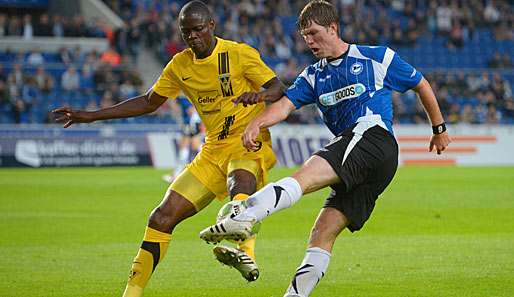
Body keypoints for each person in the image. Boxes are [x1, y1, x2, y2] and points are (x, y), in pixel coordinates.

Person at [199, 1, 451, 297]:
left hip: (372, 136)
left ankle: (247, 215)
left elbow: (420, 83)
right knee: (323, 230)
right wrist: (257, 124)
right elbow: (284, 106)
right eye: (305, 36)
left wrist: (439, 128)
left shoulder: (376, 58)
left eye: (314, 33)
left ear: (333, 28)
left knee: (305, 176)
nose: (309, 41)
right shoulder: (313, 76)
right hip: (372, 164)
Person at [53, 1, 285, 296]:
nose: (193, 37)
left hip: (247, 140)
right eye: (186, 32)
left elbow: (279, 88)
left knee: (240, 181)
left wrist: (260, 95)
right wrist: (92, 115)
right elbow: (149, 101)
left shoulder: (239, 54)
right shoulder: (180, 65)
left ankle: (246, 252)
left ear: (211, 25)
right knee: (160, 217)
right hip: (212, 151)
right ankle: (132, 293)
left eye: (198, 29)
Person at [162, 99, 205, 183]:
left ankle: (176, 175)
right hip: (192, 123)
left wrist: (193, 122)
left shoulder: (183, 97)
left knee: (185, 146)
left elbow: (191, 110)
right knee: (194, 145)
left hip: (190, 123)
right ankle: (176, 174)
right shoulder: (185, 95)